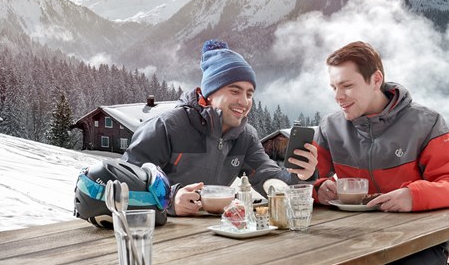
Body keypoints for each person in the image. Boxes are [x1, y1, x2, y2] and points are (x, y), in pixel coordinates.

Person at [313, 41, 449, 265]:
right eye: (333, 87)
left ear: (376, 80)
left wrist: (413, 196)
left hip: (420, 243)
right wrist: (319, 189)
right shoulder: (330, 127)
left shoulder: (427, 124)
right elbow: (304, 182)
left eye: (347, 86)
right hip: (354, 239)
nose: (338, 96)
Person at [122, 40, 317, 216]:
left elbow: (268, 176)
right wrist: (170, 199)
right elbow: (126, 183)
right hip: (164, 239)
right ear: (211, 93)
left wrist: (300, 176)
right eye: (235, 91)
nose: (244, 101)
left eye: (249, 94)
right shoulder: (167, 127)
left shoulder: (245, 136)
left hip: (217, 236)